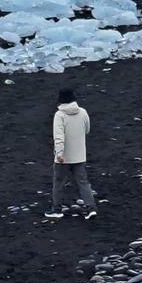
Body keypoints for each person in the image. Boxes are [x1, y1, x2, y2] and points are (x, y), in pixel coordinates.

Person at [47, 89, 95, 220]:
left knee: (59, 182)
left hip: (64, 158)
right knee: (83, 182)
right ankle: (90, 208)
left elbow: (59, 137)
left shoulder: (60, 115)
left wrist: (59, 154)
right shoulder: (83, 112)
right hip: (80, 155)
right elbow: (87, 129)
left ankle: (57, 209)